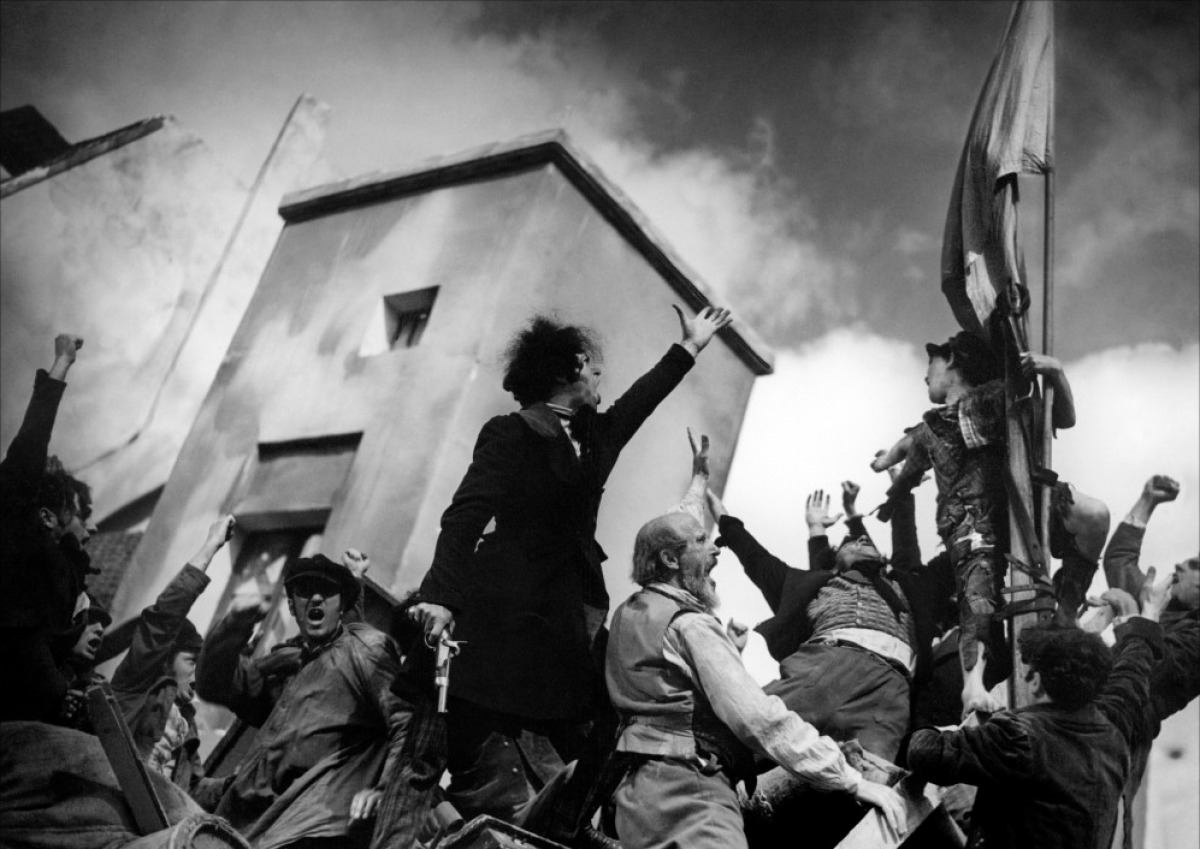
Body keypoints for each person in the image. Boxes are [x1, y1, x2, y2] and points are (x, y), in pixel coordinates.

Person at [404, 306, 732, 824]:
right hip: (502, 608)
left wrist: (689, 347)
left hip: (565, 612)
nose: (600, 373)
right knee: (459, 734)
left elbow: (641, 401)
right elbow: (465, 515)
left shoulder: (595, 438)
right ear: (568, 370)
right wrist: (441, 596)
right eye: (590, 364)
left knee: (597, 724)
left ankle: (570, 821)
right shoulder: (511, 432)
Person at [605, 509, 907, 849]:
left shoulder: (632, 614)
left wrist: (730, 655)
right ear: (670, 559)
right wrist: (850, 779)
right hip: (693, 793)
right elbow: (758, 718)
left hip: (638, 793)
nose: (715, 548)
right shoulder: (691, 624)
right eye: (702, 540)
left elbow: (670, 695)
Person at [870, 331, 1081, 714]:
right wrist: (887, 469)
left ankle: (1068, 603)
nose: (925, 375)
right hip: (969, 522)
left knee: (1091, 516)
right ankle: (973, 685)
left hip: (1016, 507)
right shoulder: (931, 427)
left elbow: (1060, 416)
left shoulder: (993, 399)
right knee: (977, 593)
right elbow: (907, 448)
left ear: (951, 360)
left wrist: (1055, 372)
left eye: (931, 363)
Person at [904, 571, 1174, 849]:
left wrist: (943, 729)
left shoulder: (1018, 736)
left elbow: (924, 753)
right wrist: (1150, 615)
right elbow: (1132, 673)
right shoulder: (1115, 728)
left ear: (1036, 681)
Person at [196, 554, 406, 848]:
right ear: (293, 606)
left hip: (314, 827)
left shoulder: (365, 649)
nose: (316, 598)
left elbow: (406, 724)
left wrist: (385, 790)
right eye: (305, 590)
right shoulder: (289, 666)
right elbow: (216, 686)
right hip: (256, 823)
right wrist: (233, 627)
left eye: (327, 591)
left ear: (342, 605)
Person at [0, 332, 99, 724]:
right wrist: (62, 364)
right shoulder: (16, 534)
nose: (91, 528)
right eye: (80, 515)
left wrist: (62, 690)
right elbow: (29, 447)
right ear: (45, 517)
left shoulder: (64, 575)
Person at [106, 515, 235, 806]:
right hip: (113, 806)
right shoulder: (136, 687)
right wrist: (211, 546)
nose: (199, 675)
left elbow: (192, 789)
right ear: (165, 660)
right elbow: (164, 617)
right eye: (191, 662)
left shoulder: (187, 721)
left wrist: (236, 784)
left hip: (155, 820)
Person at [1101, 474, 1199, 849]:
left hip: (1123, 736)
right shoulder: (1160, 604)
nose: (1180, 565)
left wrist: (1134, 615)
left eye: (1194, 565)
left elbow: (1152, 672)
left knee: (1101, 826)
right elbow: (1120, 561)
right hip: (1094, 712)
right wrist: (1147, 502)